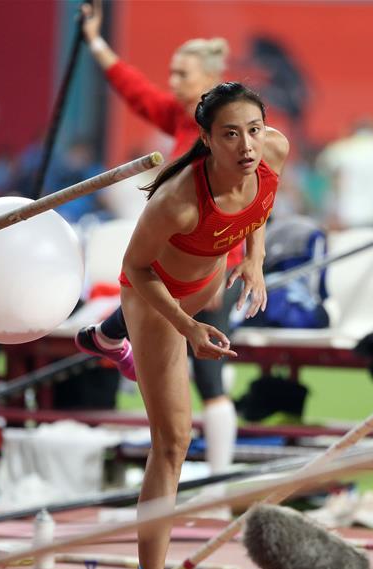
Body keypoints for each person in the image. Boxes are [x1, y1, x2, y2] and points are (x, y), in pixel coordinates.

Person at [113, 82, 287, 569]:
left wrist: (254, 261)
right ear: (207, 140)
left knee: (199, 394)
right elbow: (135, 267)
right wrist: (186, 328)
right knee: (172, 443)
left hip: (214, 277)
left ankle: (114, 344)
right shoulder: (177, 202)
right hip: (157, 300)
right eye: (231, 136)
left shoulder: (273, 151)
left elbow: (259, 204)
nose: (247, 147)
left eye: (253, 131)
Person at [75, 0, 242, 491]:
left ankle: (218, 487)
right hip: (182, 261)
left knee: (210, 378)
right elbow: (136, 92)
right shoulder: (180, 116)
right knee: (178, 370)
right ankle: (110, 335)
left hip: (214, 266)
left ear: (210, 76)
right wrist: (96, 43)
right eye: (170, 71)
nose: (171, 80)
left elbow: (244, 200)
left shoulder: (224, 129)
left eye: (181, 72)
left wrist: (230, 266)